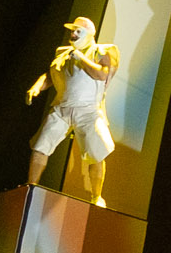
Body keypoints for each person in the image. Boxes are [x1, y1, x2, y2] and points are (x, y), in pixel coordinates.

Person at [24, 16, 120, 206]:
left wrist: (82, 58)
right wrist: (36, 87)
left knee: (96, 153)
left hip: (88, 110)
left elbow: (102, 74)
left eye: (78, 31)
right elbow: (50, 75)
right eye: (72, 31)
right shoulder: (64, 53)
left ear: (89, 34)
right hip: (62, 108)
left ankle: (96, 196)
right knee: (40, 146)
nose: (73, 34)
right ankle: (31, 186)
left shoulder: (100, 51)